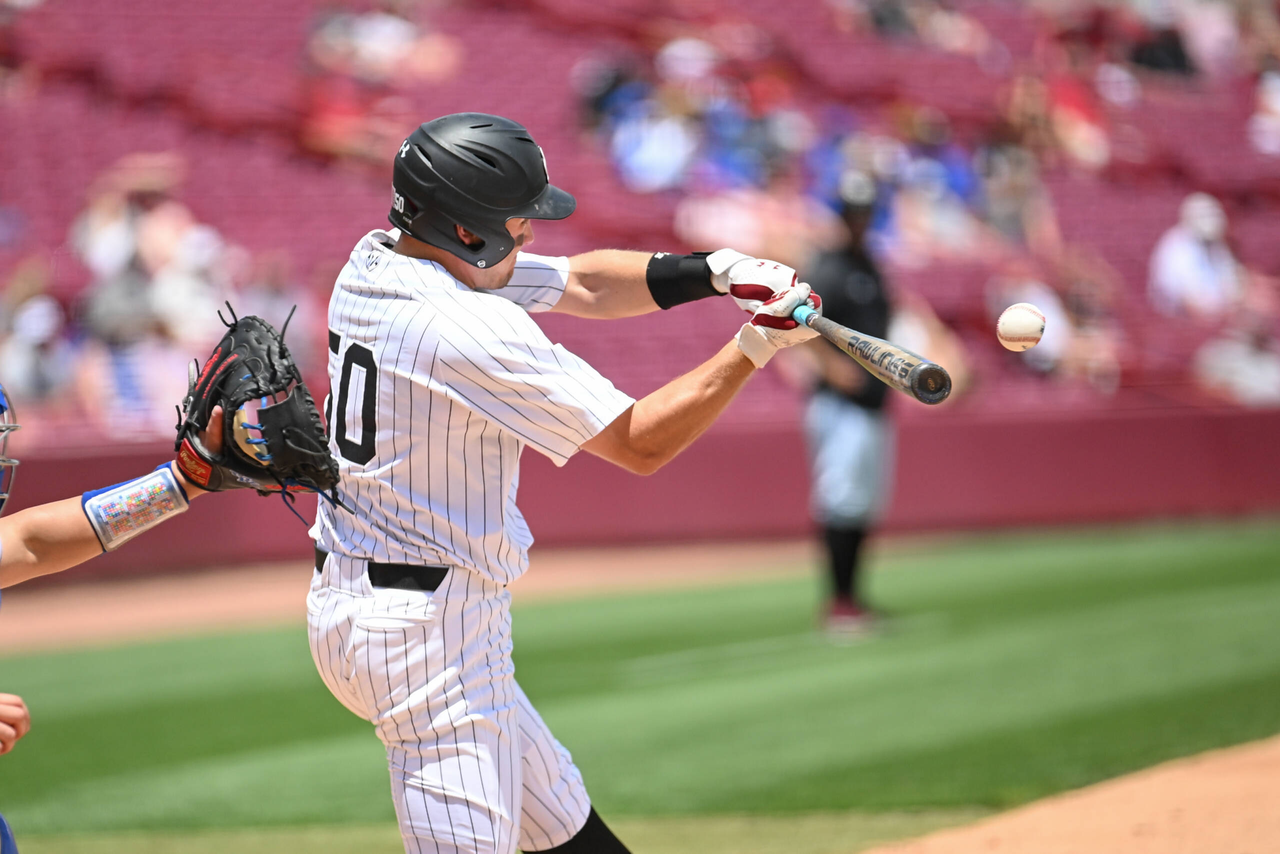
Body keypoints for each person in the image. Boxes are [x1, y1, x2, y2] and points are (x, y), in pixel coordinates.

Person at [308, 112, 822, 854]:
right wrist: (753, 346)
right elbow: (641, 443)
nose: (531, 235)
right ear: (465, 232)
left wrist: (713, 270)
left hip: (357, 605)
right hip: (429, 635)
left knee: (565, 828)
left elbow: (582, 284)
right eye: (517, 223)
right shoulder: (467, 328)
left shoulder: (377, 259)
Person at [786, 170, 894, 637]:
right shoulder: (828, 266)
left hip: (872, 403)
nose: (859, 220)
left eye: (865, 212)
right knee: (840, 500)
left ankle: (855, 598)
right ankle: (838, 603)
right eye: (853, 212)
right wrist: (830, 368)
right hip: (839, 404)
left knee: (863, 503)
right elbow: (794, 321)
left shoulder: (869, 265)